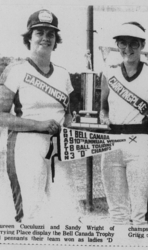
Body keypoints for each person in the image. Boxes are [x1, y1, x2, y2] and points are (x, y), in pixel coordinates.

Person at [0, 9, 73, 222]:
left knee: (64, 209)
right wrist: (39, 125)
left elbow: (68, 115)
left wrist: (73, 127)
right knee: (32, 211)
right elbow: (1, 115)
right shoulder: (16, 70)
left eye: (50, 34)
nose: (45, 38)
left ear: (56, 39)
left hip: (59, 146)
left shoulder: (63, 74)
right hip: (26, 143)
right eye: (39, 32)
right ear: (29, 37)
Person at [100, 22, 148, 225]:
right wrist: (103, 117)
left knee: (140, 215)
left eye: (134, 44)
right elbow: (103, 107)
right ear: (117, 44)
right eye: (123, 43)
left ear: (142, 45)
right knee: (117, 214)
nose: (128, 49)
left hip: (139, 141)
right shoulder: (108, 72)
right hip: (111, 141)